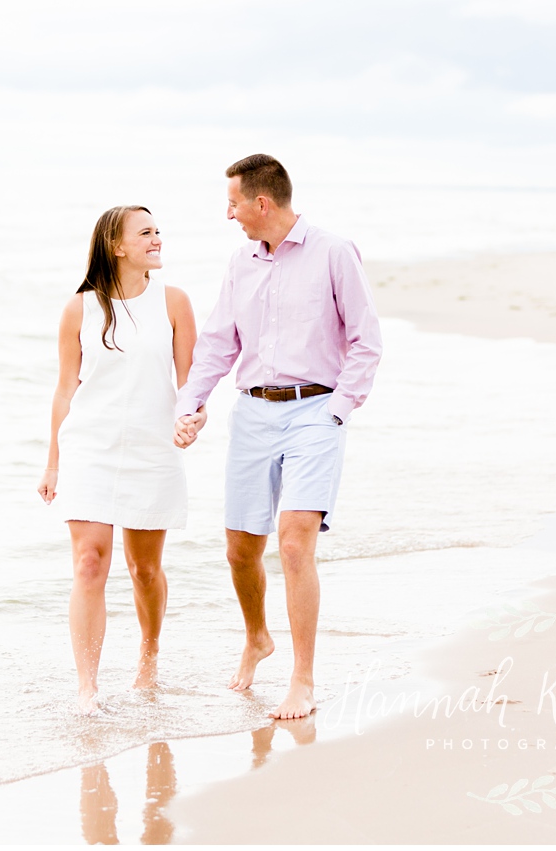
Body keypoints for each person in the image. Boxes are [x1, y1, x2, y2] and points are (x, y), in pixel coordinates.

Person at [173, 154, 383, 719]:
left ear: (261, 203)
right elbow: (219, 341)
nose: (229, 213)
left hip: (316, 411)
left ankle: (303, 679)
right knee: (241, 549)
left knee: (294, 543)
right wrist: (190, 402)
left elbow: (366, 340)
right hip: (252, 414)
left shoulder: (335, 253)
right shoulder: (240, 261)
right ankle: (257, 637)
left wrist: (339, 409)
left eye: (233, 202)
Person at [39, 205, 198, 715]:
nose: (156, 239)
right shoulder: (80, 308)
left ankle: (148, 655)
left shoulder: (173, 302)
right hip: (90, 446)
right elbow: (66, 390)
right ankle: (87, 687)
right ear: (117, 245)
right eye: (145, 233)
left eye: (158, 231)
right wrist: (54, 462)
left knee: (144, 569)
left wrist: (193, 418)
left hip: (153, 449)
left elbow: (191, 382)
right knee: (90, 563)